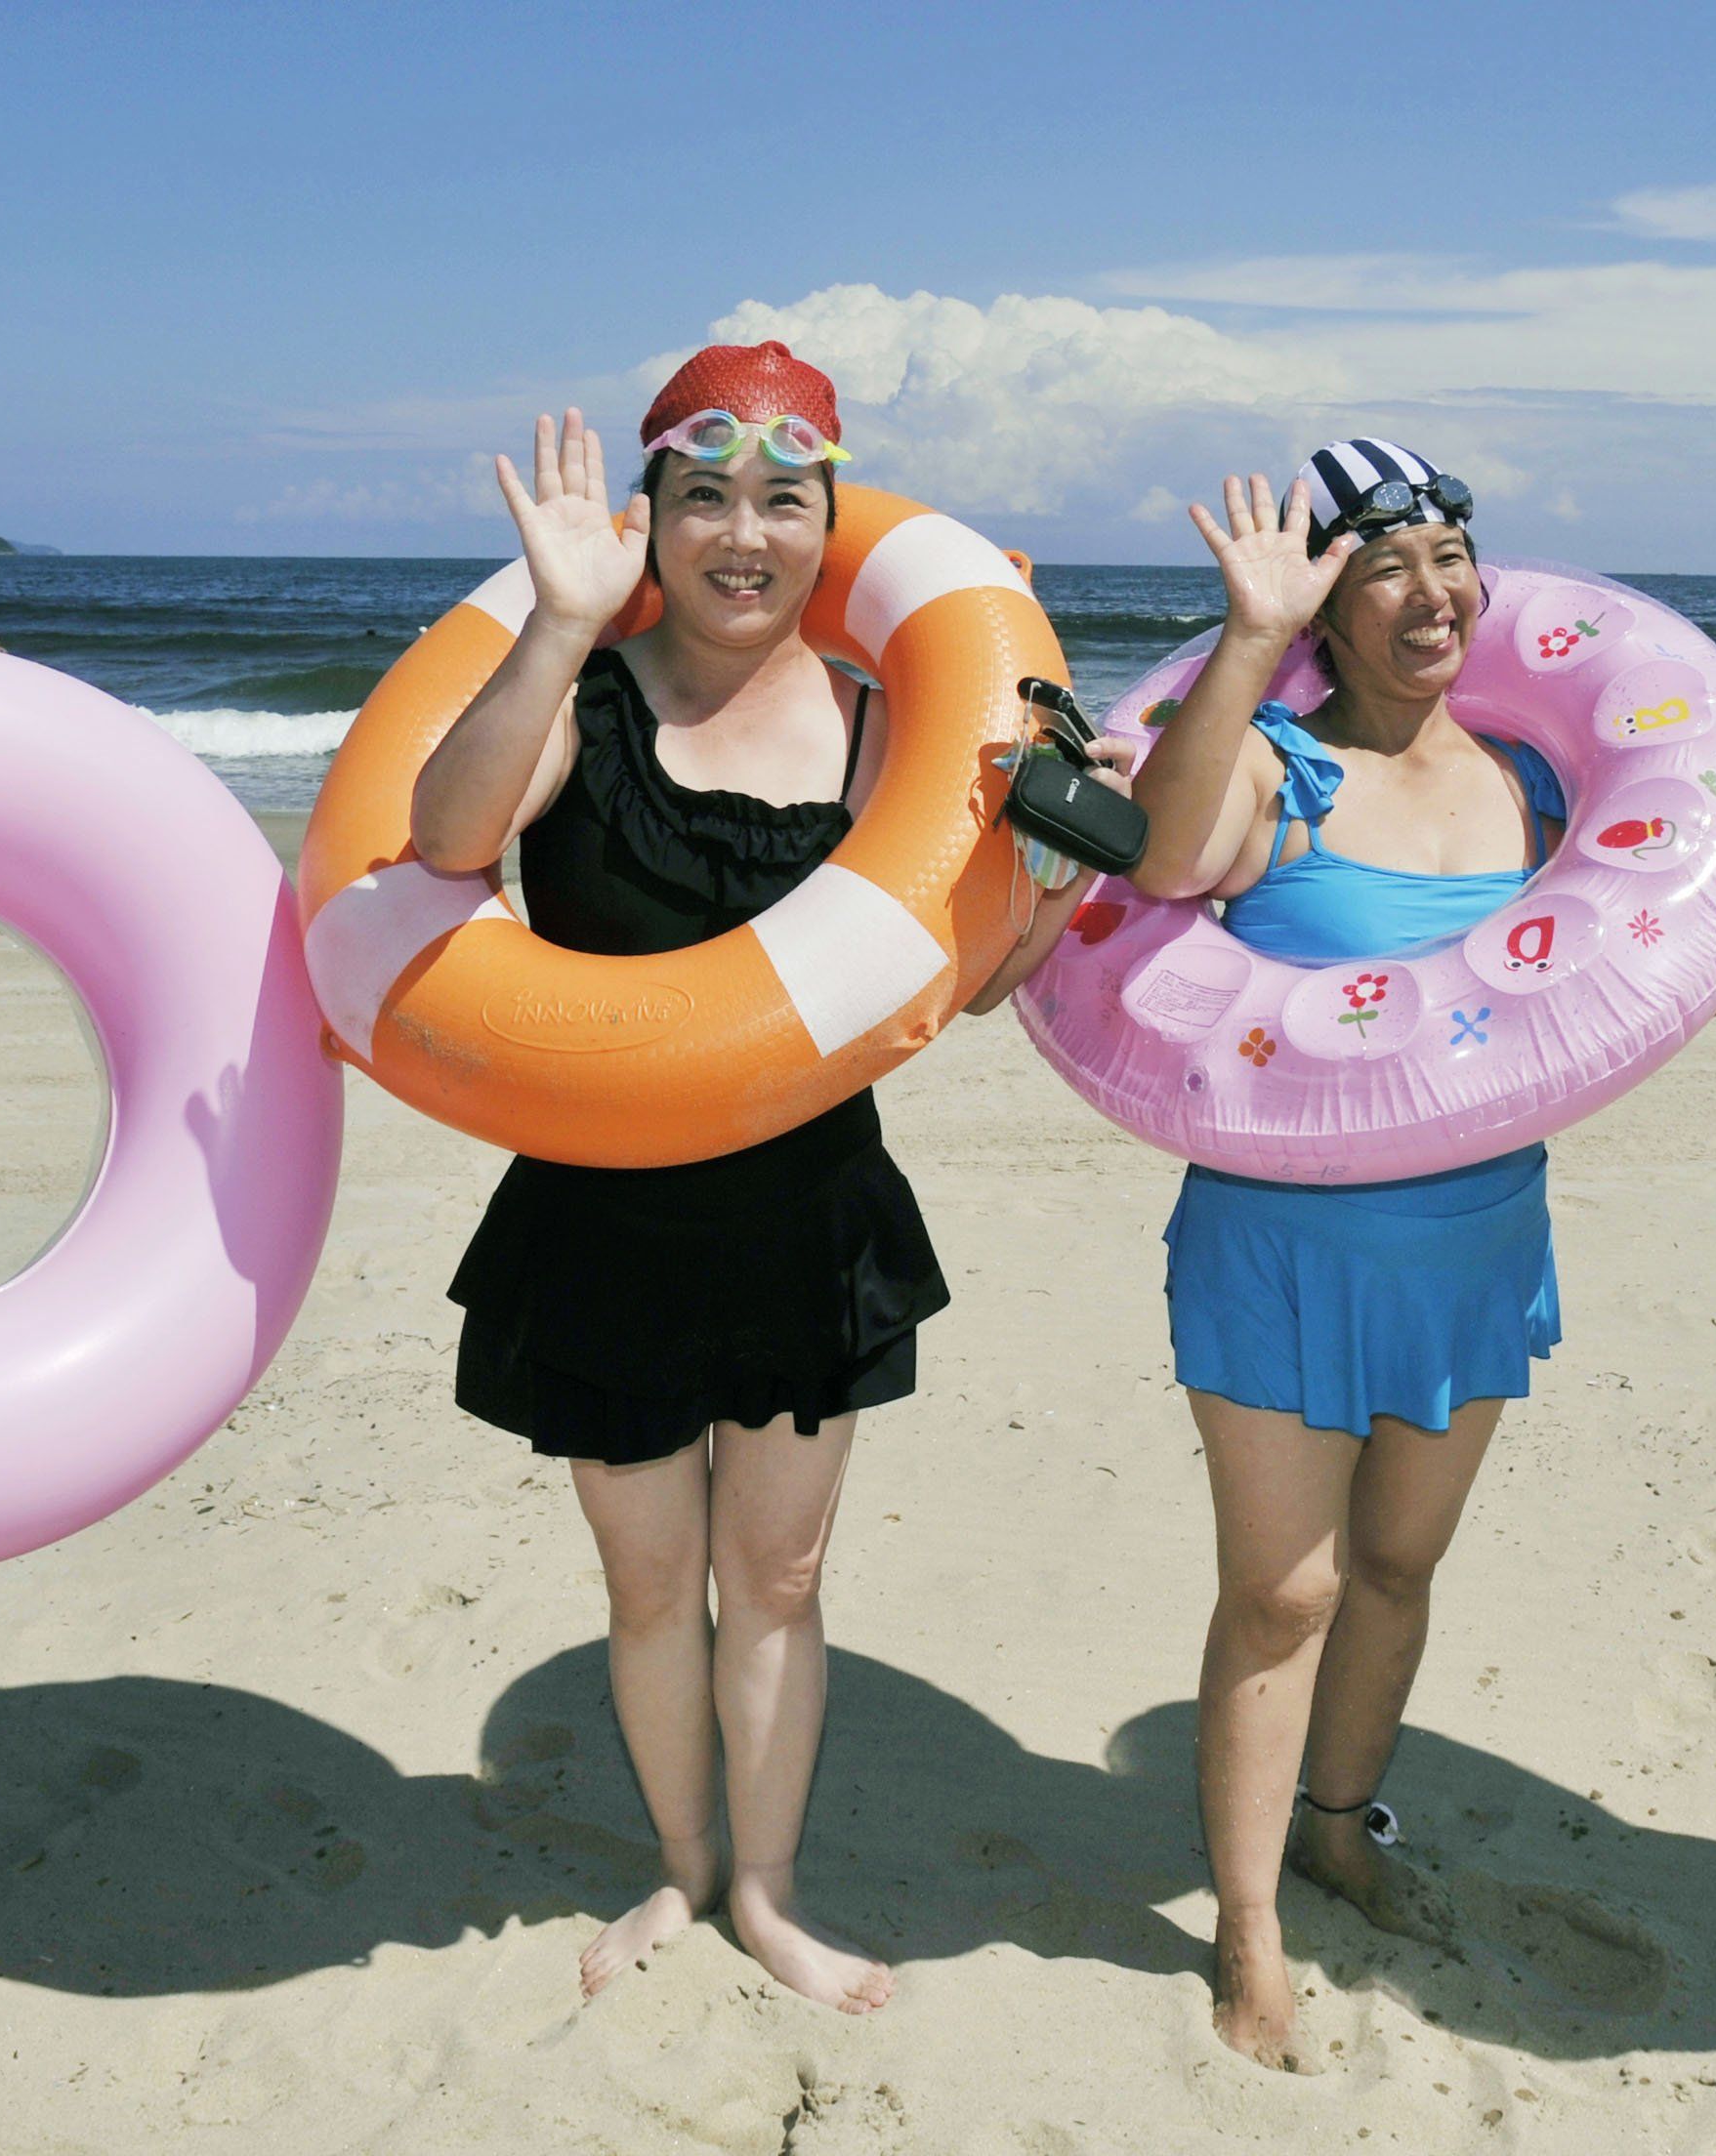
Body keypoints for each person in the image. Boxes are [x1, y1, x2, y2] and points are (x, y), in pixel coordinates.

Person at [407, 344, 1114, 2014]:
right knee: (651, 1586)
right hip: (601, 1221)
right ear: (649, 515)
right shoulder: (580, 700)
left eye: (781, 499)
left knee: (781, 1583)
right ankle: (680, 1868)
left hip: (807, 1217)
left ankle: (773, 1894)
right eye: (703, 495)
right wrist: (562, 621)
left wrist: (1059, 866)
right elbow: (444, 842)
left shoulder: (889, 723)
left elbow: (967, 976)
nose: (743, 532)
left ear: (829, 522)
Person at [1124, 442, 1716, 2068]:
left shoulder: (1532, 779)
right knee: (1282, 1592)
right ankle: (1249, 1931)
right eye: (1384, 564)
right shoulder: (1277, 772)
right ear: (1327, 600)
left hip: (1478, 1234)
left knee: (1398, 1570)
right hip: (1281, 1243)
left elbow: (1592, 1001)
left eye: (1448, 554)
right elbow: (1158, 865)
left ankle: (1342, 1823)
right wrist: (1240, 637)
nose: (1427, 591)